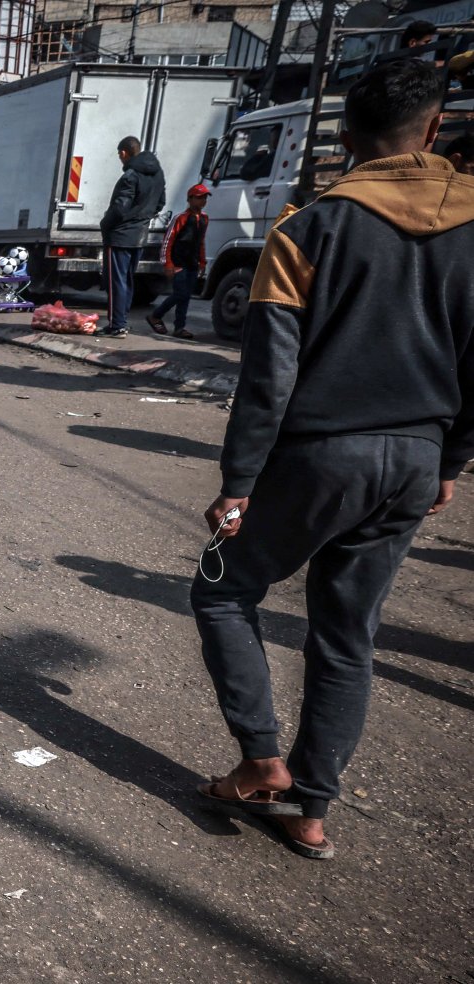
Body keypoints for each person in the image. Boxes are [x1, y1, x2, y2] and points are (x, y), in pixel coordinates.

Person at [191, 60, 473, 862]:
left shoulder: (309, 228)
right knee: (347, 634)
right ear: (433, 129)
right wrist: (448, 458)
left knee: (220, 588)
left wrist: (236, 486)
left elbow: (268, 376)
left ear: (346, 142)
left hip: (318, 455)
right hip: (414, 461)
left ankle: (259, 758)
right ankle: (311, 811)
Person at [97, 135, 164, 337]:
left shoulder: (130, 176)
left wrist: (105, 224)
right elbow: (160, 203)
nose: (120, 159)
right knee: (127, 280)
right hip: (140, 235)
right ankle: (122, 321)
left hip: (119, 236)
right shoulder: (158, 174)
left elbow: (120, 208)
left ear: (124, 153)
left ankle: (116, 325)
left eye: (119, 155)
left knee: (116, 282)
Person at [147, 183, 209, 339]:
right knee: (180, 294)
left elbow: (200, 241)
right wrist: (167, 263)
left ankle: (179, 327)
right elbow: (168, 241)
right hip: (178, 263)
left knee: (186, 296)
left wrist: (202, 261)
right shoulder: (180, 218)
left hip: (192, 263)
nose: (203, 201)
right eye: (199, 197)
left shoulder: (204, 219)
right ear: (190, 199)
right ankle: (156, 315)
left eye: (205, 198)